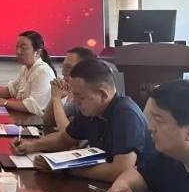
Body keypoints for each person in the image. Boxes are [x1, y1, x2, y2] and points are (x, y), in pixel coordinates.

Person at [10, 58, 155, 183]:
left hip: (136, 191)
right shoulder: (91, 110)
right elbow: (63, 139)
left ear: (103, 95)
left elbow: (120, 170)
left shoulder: (125, 114)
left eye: (80, 97)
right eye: (73, 95)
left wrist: (65, 169)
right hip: (107, 184)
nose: (75, 102)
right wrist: (31, 145)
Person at [0, 31, 56, 116]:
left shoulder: (42, 72)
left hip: (41, 122)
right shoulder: (25, 68)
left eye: (24, 48)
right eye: (17, 47)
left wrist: (6, 103)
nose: (18, 52)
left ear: (37, 52)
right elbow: (13, 89)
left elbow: (34, 105)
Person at [42, 47, 97, 132]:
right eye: (63, 66)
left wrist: (56, 99)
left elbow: (67, 133)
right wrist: (55, 96)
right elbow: (48, 121)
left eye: (68, 67)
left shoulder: (92, 96)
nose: (63, 72)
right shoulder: (75, 94)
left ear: (85, 69)